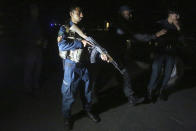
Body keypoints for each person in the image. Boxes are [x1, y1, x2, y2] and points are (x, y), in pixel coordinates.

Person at [57, 6, 109, 130]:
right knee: (69, 94)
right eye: (79, 13)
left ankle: (88, 110)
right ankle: (67, 117)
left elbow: (89, 45)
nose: (82, 15)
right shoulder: (64, 28)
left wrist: (101, 53)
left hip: (84, 65)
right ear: (71, 13)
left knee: (87, 91)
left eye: (82, 13)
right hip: (71, 66)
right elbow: (61, 45)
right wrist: (80, 43)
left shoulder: (82, 29)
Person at [111, 5, 166, 105]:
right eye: (128, 13)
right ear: (123, 13)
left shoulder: (121, 23)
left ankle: (96, 91)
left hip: (117, 53)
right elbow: (136, 36)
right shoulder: (121, 24)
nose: (130, 15)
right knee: (125, 74)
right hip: (115, 54)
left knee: (119, 74)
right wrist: (155, 35)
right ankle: (131, 98)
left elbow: (130, 37)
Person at [146, 9, 182, 101]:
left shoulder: (177, 26)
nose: (178, 17)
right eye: (176, 15)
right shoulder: (160, 23)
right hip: (160, 51)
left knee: (168, 73)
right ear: (170, 14)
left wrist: (178, 27)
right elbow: (153, 36)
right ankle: (150, 90)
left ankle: (162, 91)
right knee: (156, 71)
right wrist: (157, 36)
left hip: (172, 52)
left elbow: (180, 39)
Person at [23, 4, 47, 95]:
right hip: (30, 50)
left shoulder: (38, 23)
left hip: (38, 50)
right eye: (34, 10)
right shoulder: (27, 23)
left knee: (38, 69)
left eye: (37, 11)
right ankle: (28, 89)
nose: (36, 12)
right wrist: (34, 41)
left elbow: (42, 35)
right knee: (29, 70)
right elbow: (23, 37)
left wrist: (44, 41)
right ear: (31, 11)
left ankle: (35, 86)